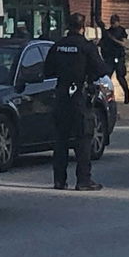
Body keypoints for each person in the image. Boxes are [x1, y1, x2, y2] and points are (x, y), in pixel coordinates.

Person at [45, 12, 109, 191]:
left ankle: (59, 180)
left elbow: (47, 71)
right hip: (79, 98)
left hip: (61, 96)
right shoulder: (86, 47)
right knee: (83, 139)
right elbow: (101, 69)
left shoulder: (58, 46)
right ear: (83, 27)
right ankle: (83, 180)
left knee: (61, 140)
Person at [99, 14, 129, 103]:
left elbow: (124, 44)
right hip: (109, 58)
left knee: (120, 77)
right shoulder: (108, 32)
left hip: (119, 57)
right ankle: (106, 97)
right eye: (111, 22)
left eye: (114, 22)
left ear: (118, 22)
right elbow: (103, 42)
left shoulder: (121, 31)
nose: (112, 24)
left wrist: (114, 39)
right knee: (107, 77)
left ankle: (127, 93)